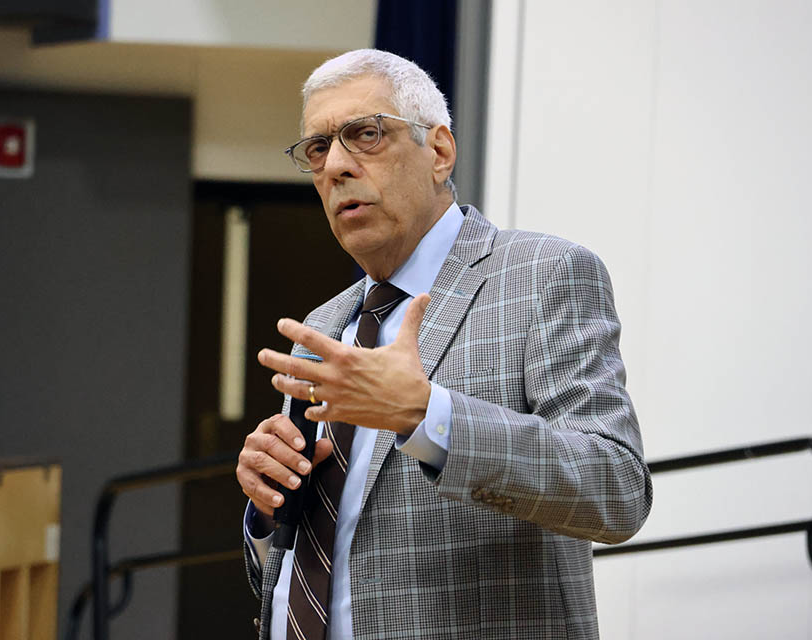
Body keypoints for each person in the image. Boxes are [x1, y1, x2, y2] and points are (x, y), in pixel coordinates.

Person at [236, 49, 652, 640]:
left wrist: (426, 416)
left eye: (365, 134)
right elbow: (307, 567)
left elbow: (616, 489)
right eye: (318, 149)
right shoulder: (323, 327)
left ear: (438, 151)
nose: (335, 167)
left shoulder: (544, 274)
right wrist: (267, 508)